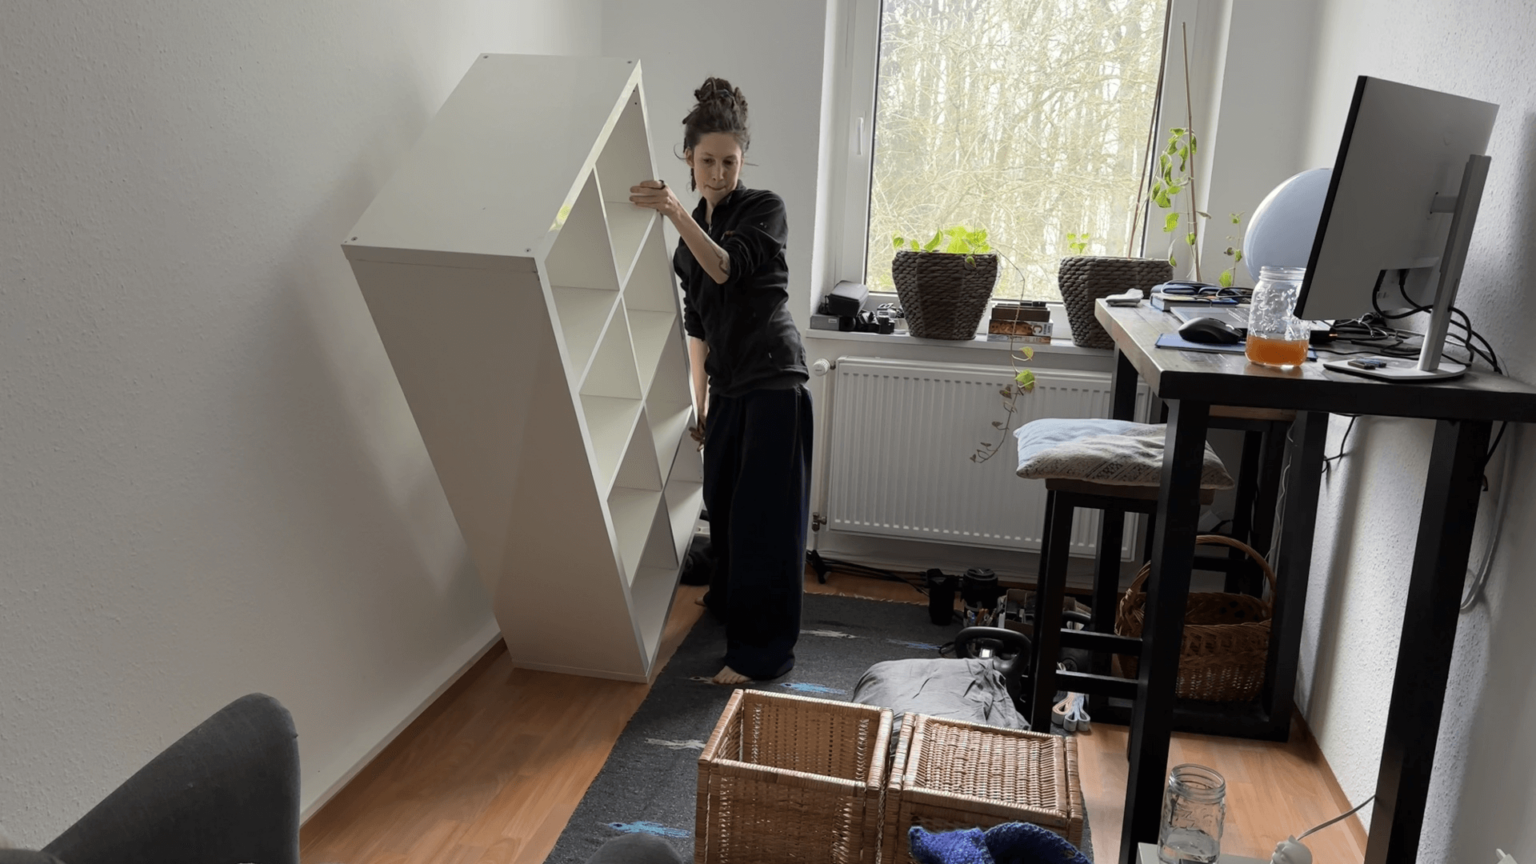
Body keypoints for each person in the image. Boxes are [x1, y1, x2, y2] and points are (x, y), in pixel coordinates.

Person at [629, 77, 812, 685]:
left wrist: (676, 212)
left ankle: (762, 655)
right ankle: (732, 610)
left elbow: (727, 269)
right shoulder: (685, 249)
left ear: (743, 160)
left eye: (728, 161)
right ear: (687, 156)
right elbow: (699, 327)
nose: (717, 172)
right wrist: (700, 406)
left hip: (775, 383)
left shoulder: (765, 210)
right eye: (706, 160)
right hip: (730, 388)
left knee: (764, 521)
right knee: (725, 511)